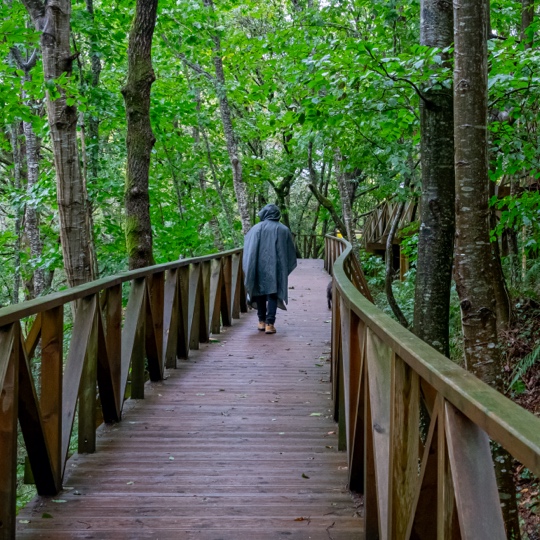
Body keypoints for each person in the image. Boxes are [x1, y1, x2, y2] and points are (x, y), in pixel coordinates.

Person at [243, 204, 297, 334]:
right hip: (276, 267)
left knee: (259, 292)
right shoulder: (284, 230)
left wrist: (250, 268)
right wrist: (284, 268)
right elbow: (290, 252)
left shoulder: (255, 229)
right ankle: (270, 323)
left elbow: (247, 252)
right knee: (273, 292)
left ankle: (261, 321)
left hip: (257, 266)